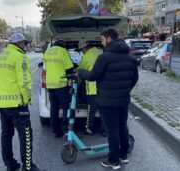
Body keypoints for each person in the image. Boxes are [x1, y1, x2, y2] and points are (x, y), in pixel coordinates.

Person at [78, 27, 139, 170]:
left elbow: (93, 76)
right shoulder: (130, 57)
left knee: (112, 130)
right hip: (123, 99)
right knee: (122, 127)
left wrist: (81, 72)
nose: (102, 42)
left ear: (109, 38)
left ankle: (113, 161)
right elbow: (135, 78)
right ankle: (123, 156)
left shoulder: (104, 57)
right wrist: (125, 90)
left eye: (102, 39)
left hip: (107, 100)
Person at [0, 32, 44, 171]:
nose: (26, 45)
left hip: (2, 103)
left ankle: (10, 164)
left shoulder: (1, 56)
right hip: (17, 104)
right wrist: (27, 99)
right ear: (19, 43)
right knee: (26, 136)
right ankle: (28, 167)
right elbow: (24, 81)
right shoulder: (20, 57)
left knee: (6, 134)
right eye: (25, 43)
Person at [43, 39, 74, 138]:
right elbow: (69, 68)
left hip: (50, 84)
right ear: (63, 45)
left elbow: (45, 68)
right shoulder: (63, 51)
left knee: (54, 108)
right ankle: (66, 129)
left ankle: (56, 131)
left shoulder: (48, 52)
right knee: (66, 107)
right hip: (61, 83)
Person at [77, 40, 106, 136]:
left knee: (91, 110)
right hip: (103, 88)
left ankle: (89, 129)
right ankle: (104, 131)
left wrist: (75, 71)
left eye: (81, 50)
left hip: (93, 89)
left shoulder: (87, 56)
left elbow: (80, 70)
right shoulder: (100, 51)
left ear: (85, 48)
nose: (82, 52)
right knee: (103, 111)